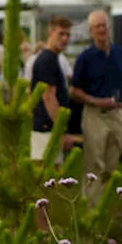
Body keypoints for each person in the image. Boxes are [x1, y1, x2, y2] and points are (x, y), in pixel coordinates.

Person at [69, 10, 122, 185]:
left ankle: (106, 198)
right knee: (94, 162)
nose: (102, 29)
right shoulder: (85, 58)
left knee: (116, 154)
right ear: (91, 31)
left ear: (109, 28)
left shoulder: (119, 52)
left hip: (117, 113)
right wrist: (95, 101)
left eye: (104, 25)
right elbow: (74, 91)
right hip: (95, 113)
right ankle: (91, 206)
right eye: (97, 27)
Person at [30, 17, 72, 162]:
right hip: (46, 131)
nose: (65, 39)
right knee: (48, 179)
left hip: (47, 130)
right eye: (61, 34)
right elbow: (49, 97)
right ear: (50, 33)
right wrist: (61, 131)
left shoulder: (53, 58)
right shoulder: (47, 60)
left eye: (68, 35)